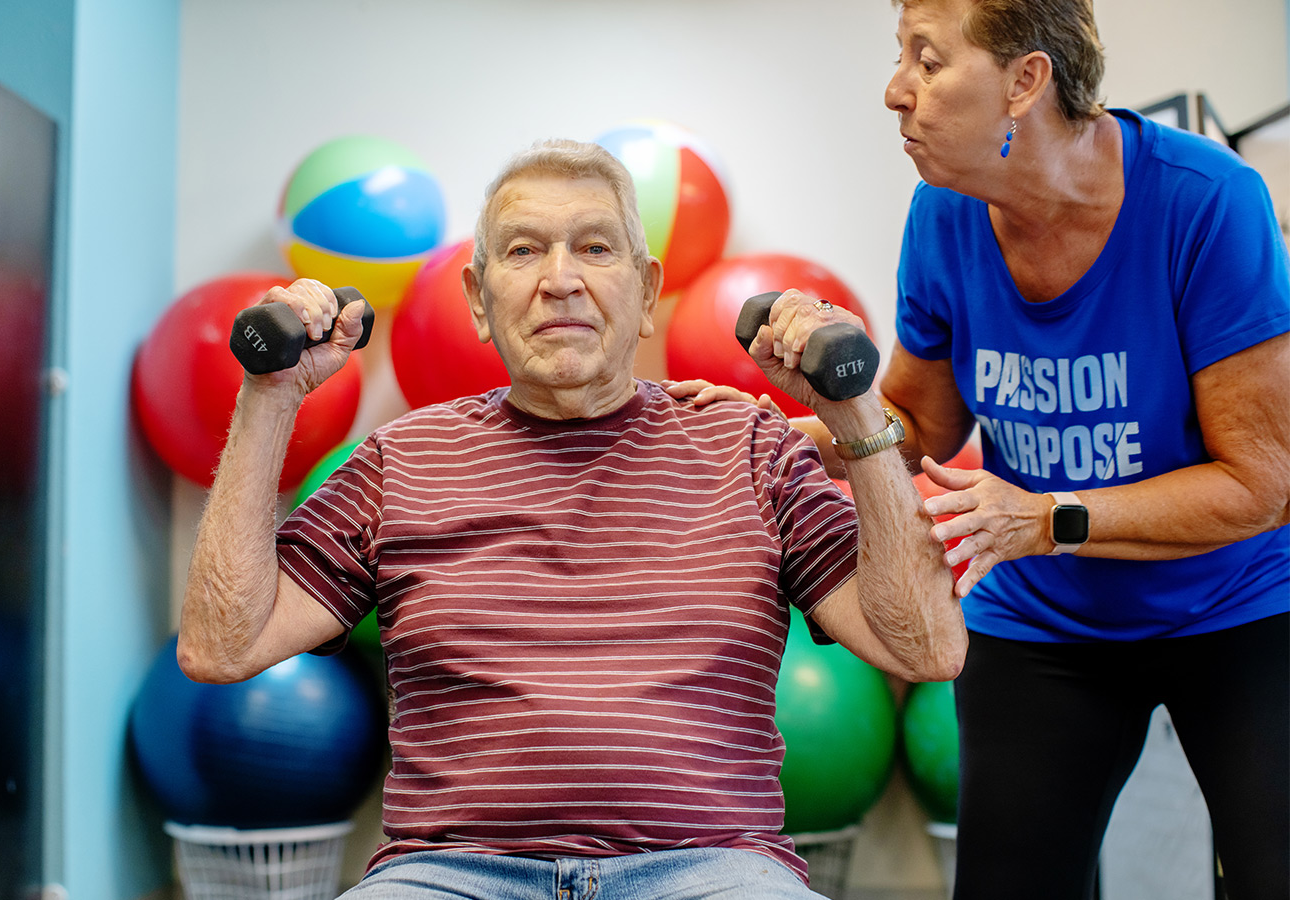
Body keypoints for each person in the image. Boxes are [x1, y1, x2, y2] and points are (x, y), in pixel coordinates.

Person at [178, 139, 964, 899]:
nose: (560, 280)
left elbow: (926, 646)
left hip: (712, 870)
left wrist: (854, 405)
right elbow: (222, 646)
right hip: (452, 875)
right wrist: (268, 397)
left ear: (648, 290)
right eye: (522, 252)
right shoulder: (399, 461)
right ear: (478, 301)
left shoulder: (749, 450)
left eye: (594, 248)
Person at [783, 1, 1289, 897]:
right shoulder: (944, 215)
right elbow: (920, 426)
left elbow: (1259, 486)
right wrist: (782, 435)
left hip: (1236, 608)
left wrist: (1046, 517)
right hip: (1045, 624)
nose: (896, 91)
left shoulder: (1208, 203)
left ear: (1026, 81)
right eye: (901, 56)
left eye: (928, 61)